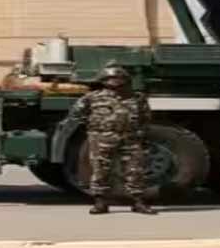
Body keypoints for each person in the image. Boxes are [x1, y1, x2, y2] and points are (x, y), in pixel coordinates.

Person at [65, 64, 157, 215]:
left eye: (119, 78)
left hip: (130, 138)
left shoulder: (137, 97)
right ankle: (101, 203)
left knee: (135, 170)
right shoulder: (93, 97)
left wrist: (141, 132)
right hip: (102, 137)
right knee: (101, 170)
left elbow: (145, 117)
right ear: (103, 80)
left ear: (125, 79)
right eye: (110, 78)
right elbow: (77, 113)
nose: (115, 81)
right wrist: (93, 127)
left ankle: (138, 202)